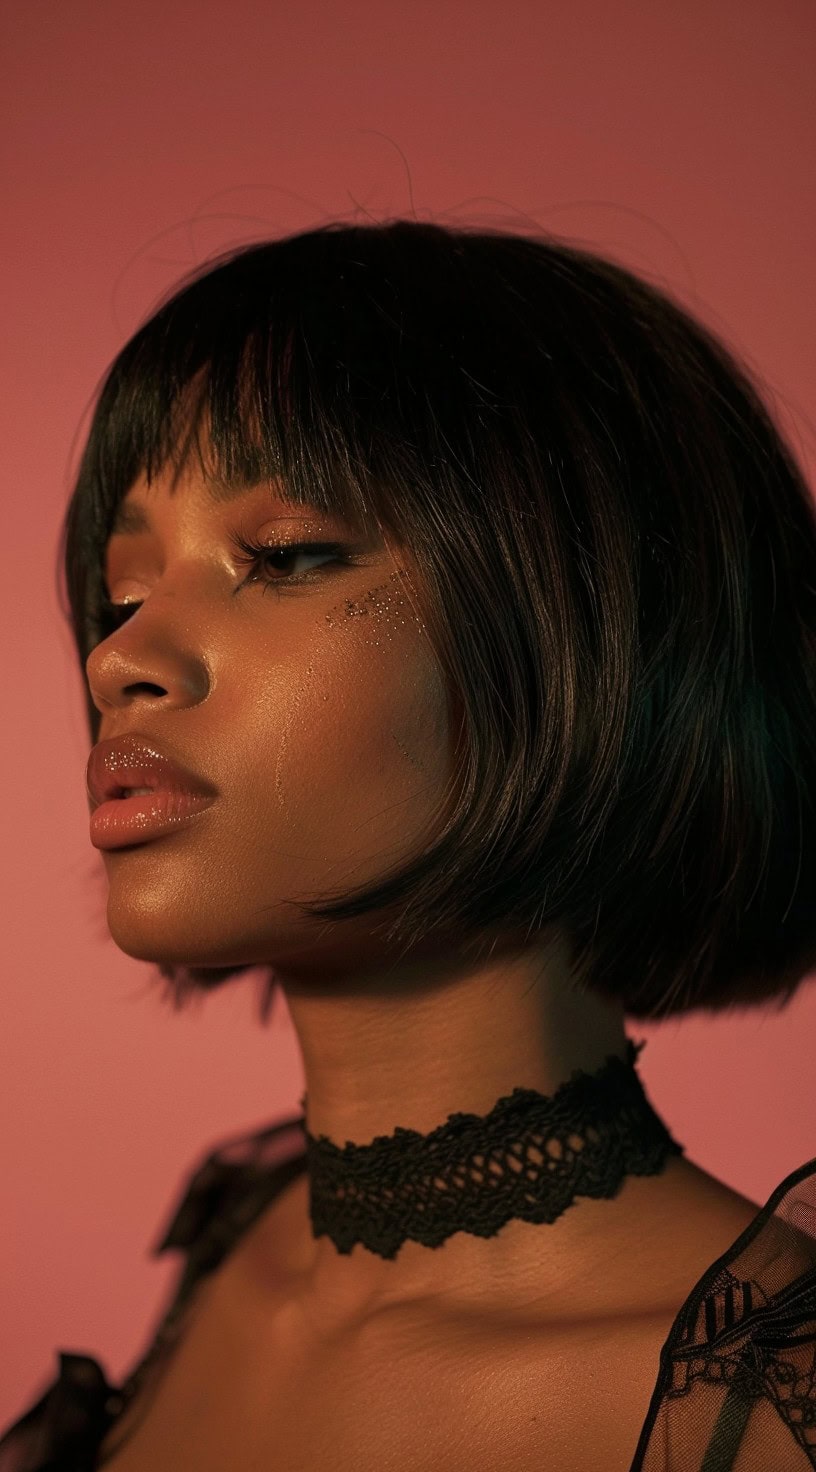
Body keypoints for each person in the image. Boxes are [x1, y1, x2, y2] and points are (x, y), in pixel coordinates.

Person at [1, 218, 814, 1472]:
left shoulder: (762, 1406)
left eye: (279, 557)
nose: (119, 659)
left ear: (585, 629)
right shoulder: (238, 1248)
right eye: (122, 593)